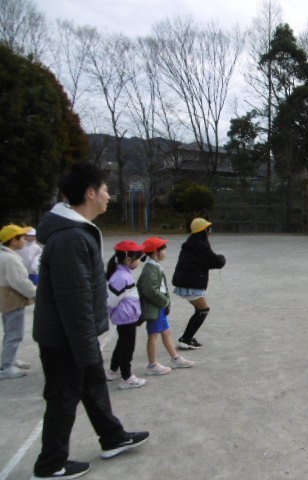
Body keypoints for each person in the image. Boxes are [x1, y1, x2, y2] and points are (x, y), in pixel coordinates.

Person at [32, 163, 149, 480]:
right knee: (63, 397)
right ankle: (50, 465)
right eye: (106, 189)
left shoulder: (76, 232)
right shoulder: (70, 238)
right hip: (65, 339)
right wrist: (86, 348)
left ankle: (112, 437)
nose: (109, 196)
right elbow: (74, 300)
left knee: (93, 387)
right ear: (90, 193)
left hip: (76, 335)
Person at [137, 236, 194, 375]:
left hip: (159, 307)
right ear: (156, 252)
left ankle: (176, 358)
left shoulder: (154, 265)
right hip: (155, 307)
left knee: (166, 332)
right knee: (153, 335)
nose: (166, 252)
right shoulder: (150, 268)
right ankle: (152, 365)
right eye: (164, 250)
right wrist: (164, 301)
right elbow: (149, 290)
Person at [172, 218, 226, 350]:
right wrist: (222, 259)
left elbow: (205, 261)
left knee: (199, 310)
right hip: (191, 284)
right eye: (208, 228)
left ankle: (187, 338)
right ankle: (186, 339)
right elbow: (214, 261)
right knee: (203, 310)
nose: (210, 230)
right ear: (203, 230)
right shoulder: (200, 245)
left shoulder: (191, 243)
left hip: (185, 282)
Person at [105, 240, 146, 390]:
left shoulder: (123, 274)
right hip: (125, 318)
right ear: (128, 259)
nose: (140, 261)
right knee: (127, 348)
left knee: (122, 344)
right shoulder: (121, 277)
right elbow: (112, 301)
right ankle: (127, 378)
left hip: (127, 317)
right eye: (138, 258)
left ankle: (113, 370)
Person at [0, 224, 37, 379]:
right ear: (13, 241)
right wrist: (36, 293)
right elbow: (20, 282)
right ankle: (7, 366)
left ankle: (11, 359)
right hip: (12, 298)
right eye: (22, 237)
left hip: (7, 298)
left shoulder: (5, 255)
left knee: (11, 332)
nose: (25, 240)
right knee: (14, 334)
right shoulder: (10, 259)